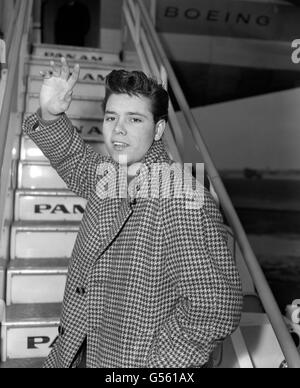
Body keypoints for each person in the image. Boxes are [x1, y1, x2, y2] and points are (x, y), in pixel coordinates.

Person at [22, 58, 243, 369]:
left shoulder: (180, 198)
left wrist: (153, 366)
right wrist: (50, 112)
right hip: (82, 347)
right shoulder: (114, 174)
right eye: (112, 117)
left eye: (135, 120)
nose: (119, 130)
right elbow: (75, 160)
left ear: (159, 129)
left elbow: (214, 306)